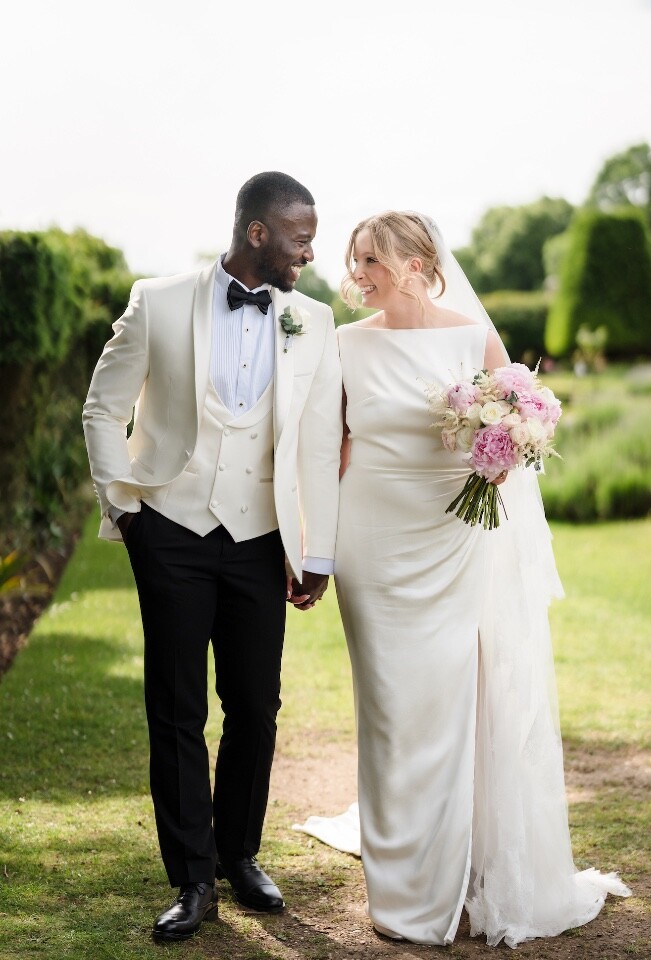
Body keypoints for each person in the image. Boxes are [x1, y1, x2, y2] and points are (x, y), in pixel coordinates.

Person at [297, 211, 630, 947]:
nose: (359, 274)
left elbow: (517, 422)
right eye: (356, 261)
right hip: (373, 543)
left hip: (455, 538)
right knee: (390, 710)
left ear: (418, 263)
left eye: (372, 260)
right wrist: (315, 547)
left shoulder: (473, 337)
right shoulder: (344, 343)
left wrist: (506, 450)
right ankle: (403, 893)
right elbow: (326, 446)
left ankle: (465, 863)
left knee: (453, 700)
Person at [82, 172, 343, 942]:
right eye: (300, 237)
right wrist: (123, 508)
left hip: (262, 538)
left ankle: (239, 852)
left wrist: (316, 548)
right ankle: (193, 878)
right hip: (169, 528)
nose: (310, 251)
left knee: (256, 708)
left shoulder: (314, 320)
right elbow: (103, 406)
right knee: (176, 708)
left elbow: (322, 440)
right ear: (257, 232)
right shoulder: (159, 300)